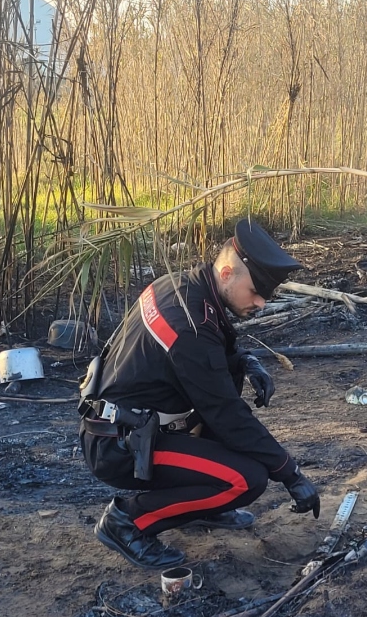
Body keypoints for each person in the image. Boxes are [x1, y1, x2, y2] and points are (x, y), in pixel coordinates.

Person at [78, 218, 320, 568]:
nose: (262, 303)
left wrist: (245, 361)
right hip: (120, 445)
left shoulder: (181, 286)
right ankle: (127, 522)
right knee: (245, 480)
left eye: (266, 295)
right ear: (226, 273)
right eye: (256, 292)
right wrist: (290, 473)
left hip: (126, 426)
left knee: (239, 457)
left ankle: (205, 507)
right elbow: (227, 415)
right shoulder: (188, 325)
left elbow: (202, 359)